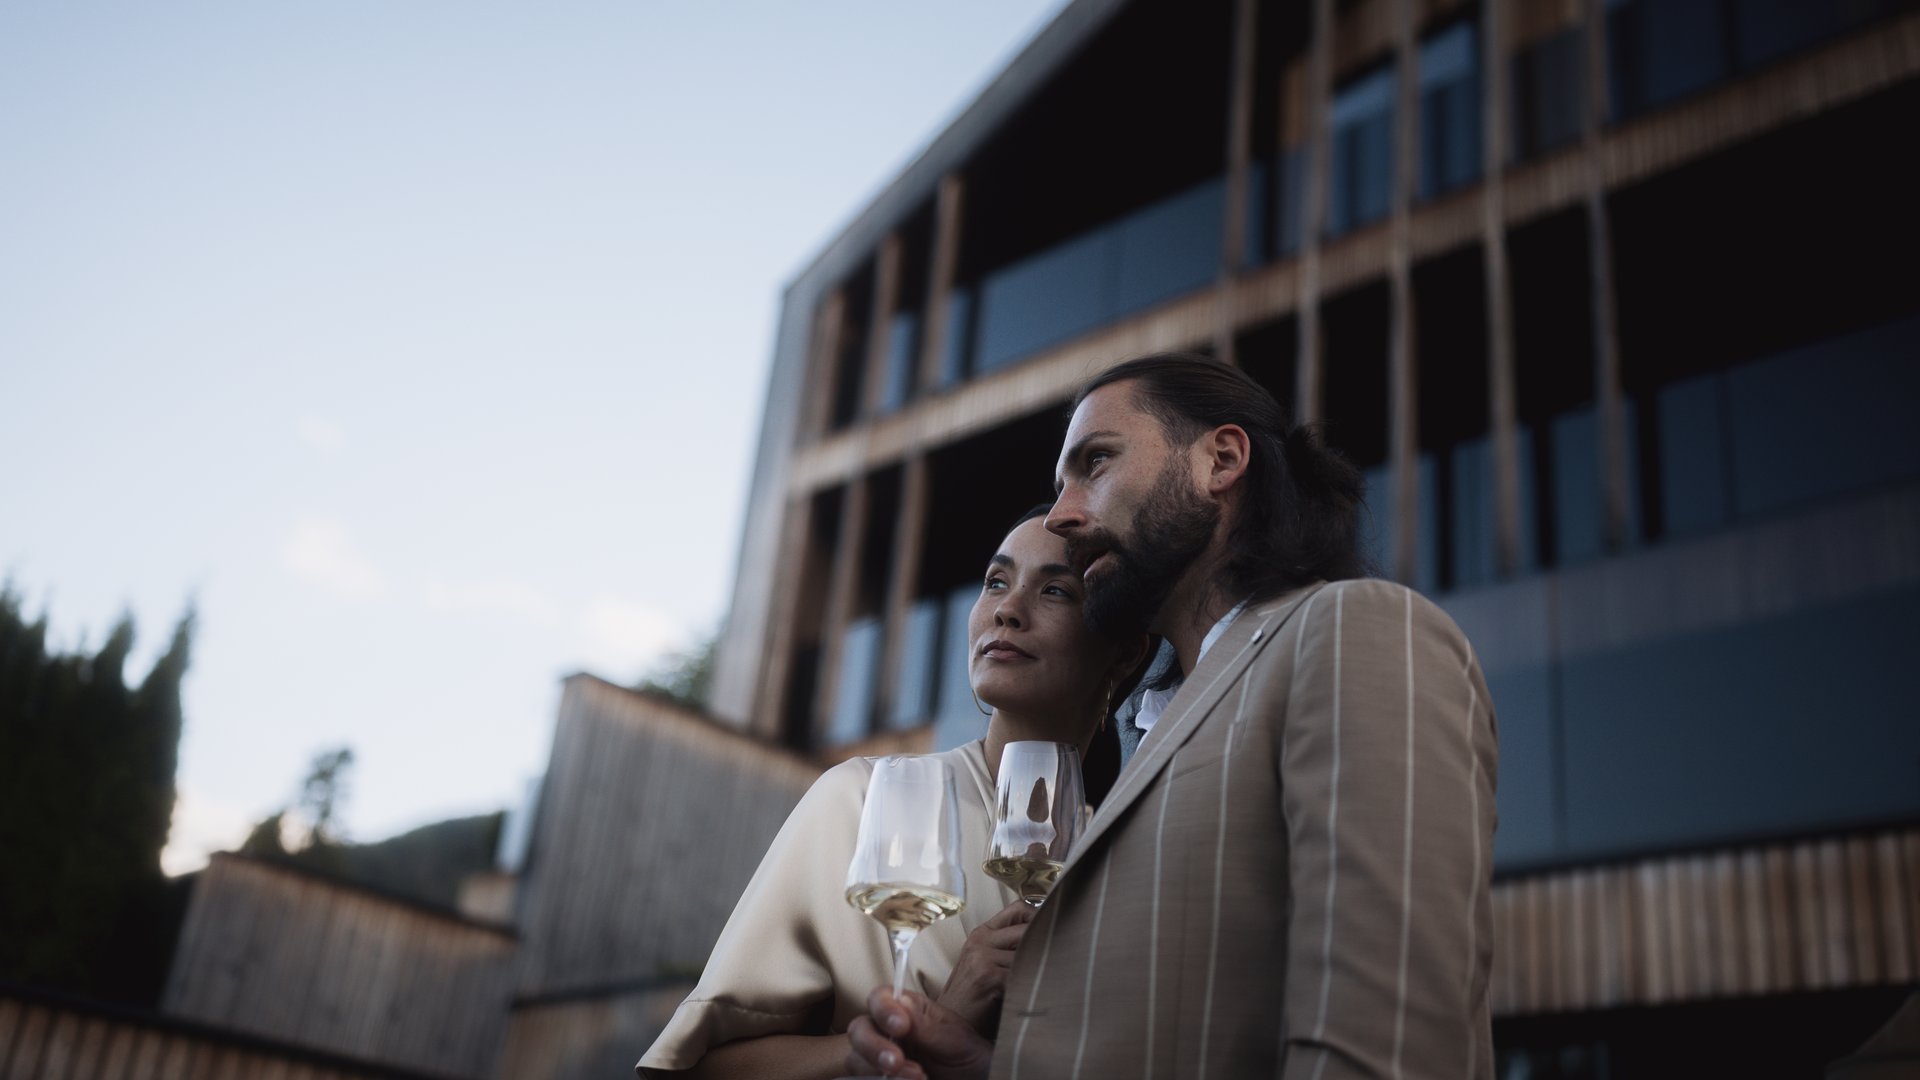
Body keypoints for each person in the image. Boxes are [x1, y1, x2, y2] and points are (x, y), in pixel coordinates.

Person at [847, 353, 1499, 1079]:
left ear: (1220, 459)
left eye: (1095, 463)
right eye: (1059, 485)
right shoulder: (1156, 732)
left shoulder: (1354, 630)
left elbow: (1390, 1046)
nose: (1061, 517)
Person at [637, 507, 1147, 1079]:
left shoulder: (1134, 855)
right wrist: (923, 1029)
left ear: (1126, 652)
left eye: (1055, 590)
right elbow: (706, 1067)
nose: (1006, 609)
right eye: (996, 582)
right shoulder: (862, 801)